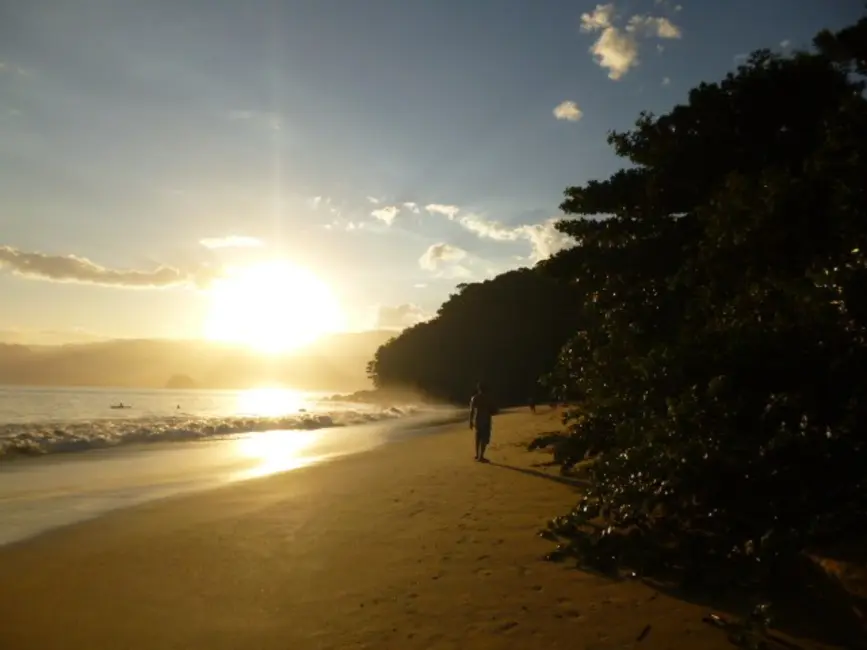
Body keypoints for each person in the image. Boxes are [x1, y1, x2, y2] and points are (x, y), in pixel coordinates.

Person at [469, 383, 494, 462]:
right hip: (486, 419)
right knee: (484, 438)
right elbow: (492, 410)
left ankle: (477, 455)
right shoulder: (488, 398)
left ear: (478, 389)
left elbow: (472, 411)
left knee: (478, 437)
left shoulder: (474, 398)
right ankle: (481, 456)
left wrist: (470, 421)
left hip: (477, 419)